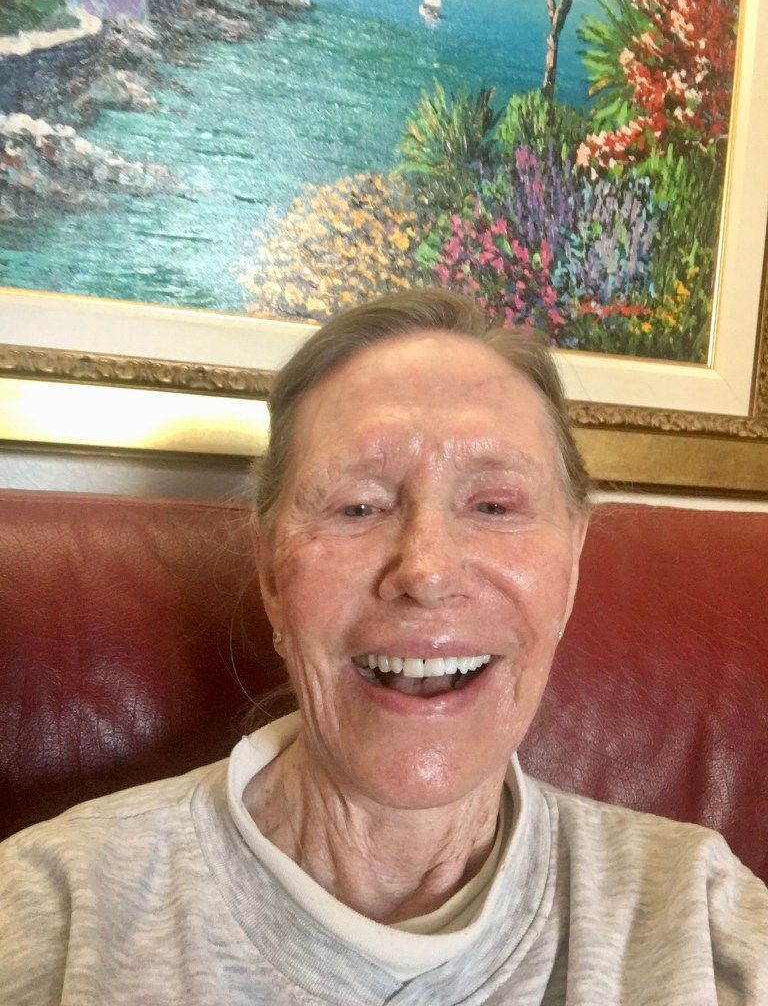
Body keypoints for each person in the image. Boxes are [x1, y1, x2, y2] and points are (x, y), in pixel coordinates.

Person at [0, 289, 766, 1005]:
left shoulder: (704, 921)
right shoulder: (56, 912)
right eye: (357, 506)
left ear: (569, 568)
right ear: (271, 575)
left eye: (494, 505)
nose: (426, 571)